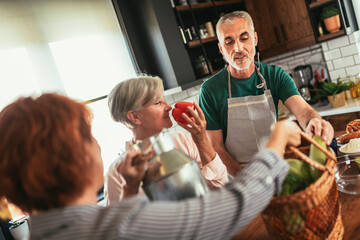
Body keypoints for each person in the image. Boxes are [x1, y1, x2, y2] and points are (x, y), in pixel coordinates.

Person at [0, 93, 302, 240]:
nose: (97, 145)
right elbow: (235, 205)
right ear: (74, 157)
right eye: (89, 137)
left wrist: (131, 189)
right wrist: (277, 142)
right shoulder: (118, 222)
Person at [198, 11, 334, 176]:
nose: (238, 48)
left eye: (244, 38)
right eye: (229, 42)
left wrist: (314, 120)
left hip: (276, 170)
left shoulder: (275, 75)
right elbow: (216, 147)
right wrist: (246, 182)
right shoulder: (210, 90)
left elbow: (303, 110)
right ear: (221, 48)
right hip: (237, 177)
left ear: (255, 39)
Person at [104, 76, 228, 205]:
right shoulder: (116, 175)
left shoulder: (182, 141)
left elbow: (221, 185)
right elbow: (118, 222)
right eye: (158, 102)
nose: (168, 106)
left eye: (164, 100)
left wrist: (202, 140)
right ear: (135, 116)